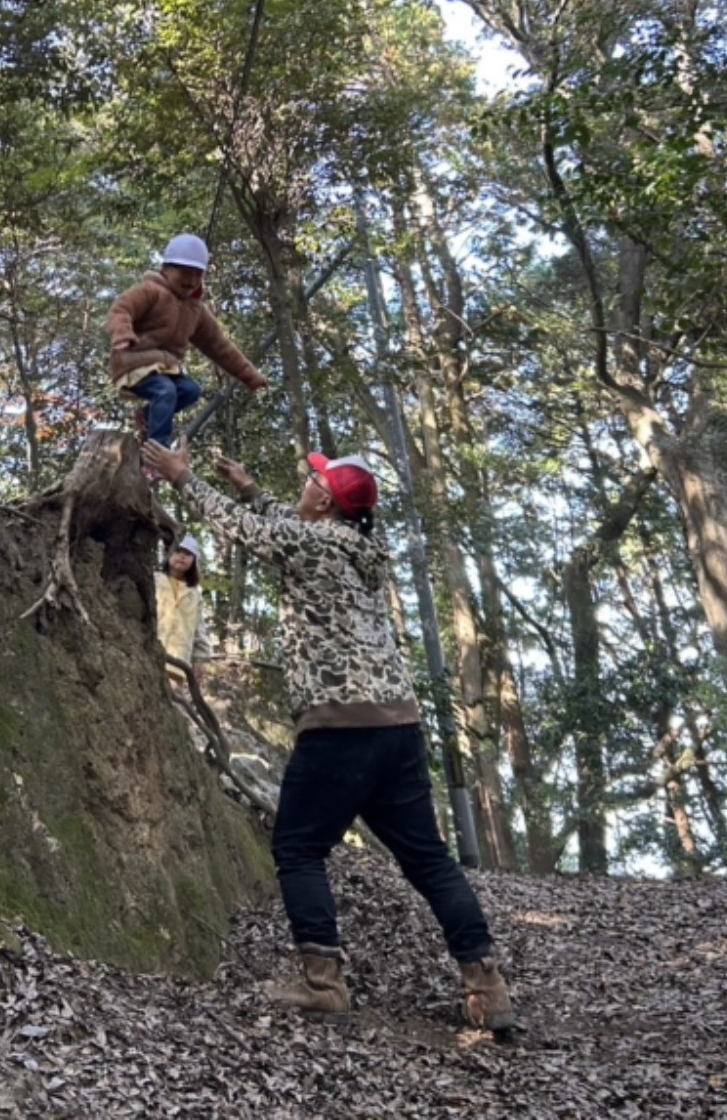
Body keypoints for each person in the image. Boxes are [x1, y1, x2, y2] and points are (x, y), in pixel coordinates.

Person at [142, 437, 517, 1034]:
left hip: (340, 728)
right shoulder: (363, 546)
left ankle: (322, 982)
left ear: (324, 501)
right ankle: (486, 984)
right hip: (398, 726)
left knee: (297, 847)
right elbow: (286, 525)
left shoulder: (309, 542)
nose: (307, 482)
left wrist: (185, 479)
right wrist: (250, 487)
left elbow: (251, 532)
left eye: (315, 480)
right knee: (429, 860)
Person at [107, 234, 269, 451]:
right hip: (134, 361)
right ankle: (157, 451)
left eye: (197, 274)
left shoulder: (196, 310)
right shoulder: (150, 291)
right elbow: (122, 308)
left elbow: (219, 346)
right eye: (185, 272)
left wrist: (251, 377)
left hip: (165, 368)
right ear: (167, 269)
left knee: (191, 390)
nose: (191, 280)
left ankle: (146, 417)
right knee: (166, 391)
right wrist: (122, 334)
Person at [156, 535, 213, 689]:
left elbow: (199, 629)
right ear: (167, 554)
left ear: (194, 561)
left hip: (177, 662)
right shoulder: (154, 580)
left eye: (188, 554)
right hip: (151, 654)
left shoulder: (194, 594)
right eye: (178, 551)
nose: (182, 556)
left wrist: (200, 659)